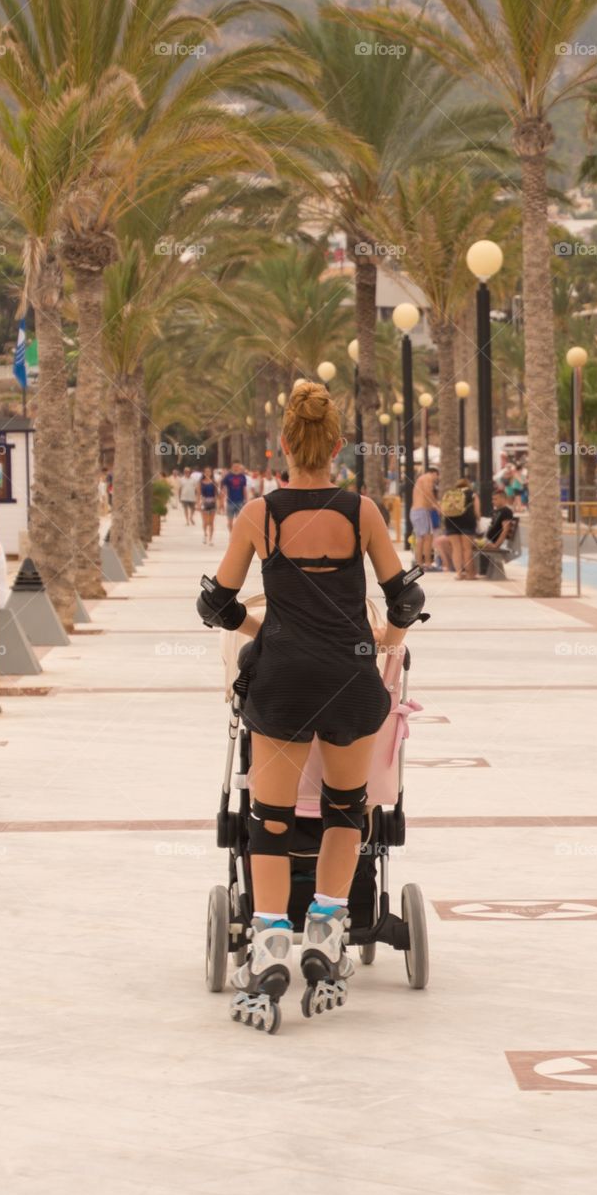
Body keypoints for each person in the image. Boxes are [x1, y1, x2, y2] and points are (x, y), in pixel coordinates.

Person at [196, 381, 428, 1029]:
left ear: (283, 445)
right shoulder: (361, 512)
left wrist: (262, 632)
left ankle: (271, 946)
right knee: (345, 809)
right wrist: (387, 639)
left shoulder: (260, 515)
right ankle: (327, 931)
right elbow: (402, 597)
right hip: (352, 679)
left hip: (282, 680)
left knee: (269, 819)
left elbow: (216, 603)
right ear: (334, 446)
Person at [439, 477, 480, 580]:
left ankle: (459, 574)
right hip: (467, 522)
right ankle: (470, 574)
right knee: (467, 549)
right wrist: (478, 520)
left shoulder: (450, 494)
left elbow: (442, 510)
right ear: (468, 485)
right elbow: (477, 512)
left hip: (451, 522)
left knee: (456, 549)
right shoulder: (473, 494)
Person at [409, 467, 439, 567]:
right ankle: (427, 563)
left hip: (415, 511)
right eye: (437, 477)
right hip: (422, 511)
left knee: (420, 538)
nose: (436, 479)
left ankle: (419, 563)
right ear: (434, 473)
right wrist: (437, 506)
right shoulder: (427, 478)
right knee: (427, 537)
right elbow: (428, 492)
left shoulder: (420, 479)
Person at [221, 461, 248, 530]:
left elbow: (244, 489)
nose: (236, 468)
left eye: (237, 466)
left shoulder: (242, 477)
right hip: (230, 501)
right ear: (232, 467)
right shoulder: (228, 476)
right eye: (234, 466)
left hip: (240, 501)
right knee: (230, 521)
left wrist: (246, 500)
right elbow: (224, 489)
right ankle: (231, 536)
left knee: (239, 521)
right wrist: (222, 501)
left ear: (239, 467)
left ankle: (237, 537)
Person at [196, 466, 219, 545]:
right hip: (204, 502)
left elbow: (216, 494)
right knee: (205, 522)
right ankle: (205, 535)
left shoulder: (214, 482)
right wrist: (198, 503)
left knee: (211, 522)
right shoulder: (201, 483)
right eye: (206, 471)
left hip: (212, 502)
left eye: (209, 471)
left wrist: (216, 501)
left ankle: (211, 538)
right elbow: (198, 494)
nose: (207, 473)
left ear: (211, 473)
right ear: (204, 473)